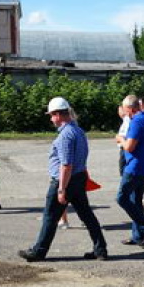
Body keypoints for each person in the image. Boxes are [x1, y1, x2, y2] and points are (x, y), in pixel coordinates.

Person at [18, 97, 108, 262]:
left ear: (58, 115)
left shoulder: (65, 135)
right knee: (87, 215)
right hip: (79, 178)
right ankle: (100, 249)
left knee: (50, 217)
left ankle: (39, 251)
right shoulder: (79, 131)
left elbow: (66, 165)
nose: (51, 119)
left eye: (52, 115)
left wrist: (61, 189)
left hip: (66, 180)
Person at [117, 95, 144, 246]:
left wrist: (120, 139)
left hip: (134, 166)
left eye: (124, 109)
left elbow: (129, 147)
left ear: (130, 109)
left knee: (122, 198)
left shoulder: (137, 121)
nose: (124, 112)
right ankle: (138, 235)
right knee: (136, 201)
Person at [116, 105, 130, 176]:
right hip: (123, 146)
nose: (119, 113)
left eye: (120, 110)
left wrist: (120, 138)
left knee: (123, 168)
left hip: (125, 147)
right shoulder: (125, 120)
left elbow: (126, 133)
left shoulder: (127, 119)